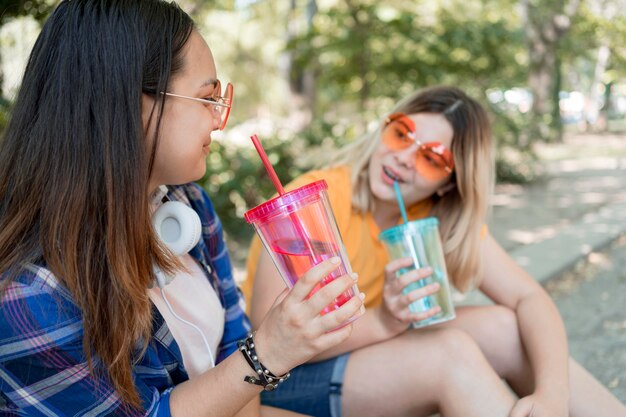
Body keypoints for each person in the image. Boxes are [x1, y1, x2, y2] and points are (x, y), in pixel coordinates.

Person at [0, 1, 365, 416]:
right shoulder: (30, 295)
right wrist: (268, 353)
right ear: (127, 103)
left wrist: (262, 357)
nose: (217, 119)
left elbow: (234, 354)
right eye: (207, 97)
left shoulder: (189, 205)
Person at [244, 86, 626, 417]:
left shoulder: (432, 217)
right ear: (385, 129)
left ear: (449, 183)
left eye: (431, 158)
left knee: (507, 328)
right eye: (401, 134)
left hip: (363, 354)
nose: (404, 158)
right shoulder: (312, 203)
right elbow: (272, 341)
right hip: (279, 379)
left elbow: (529, 298)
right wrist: (385, 322)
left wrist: (552, 396)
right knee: (449, 353)